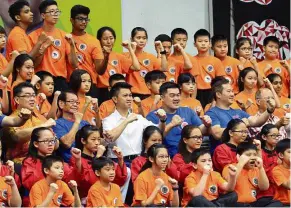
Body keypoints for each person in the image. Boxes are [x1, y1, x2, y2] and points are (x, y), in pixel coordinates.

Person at [205, 78, 276, 153]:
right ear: (218, 94)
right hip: (223, 155)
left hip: (241, 153)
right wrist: (241, 124)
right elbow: (217, 133)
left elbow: (257, 121)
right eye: (229, 91)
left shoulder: (238, 111)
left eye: (232, 91)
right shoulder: (212, 113)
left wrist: (269, 110)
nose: (232, 94)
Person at [102, 82, 166, 165]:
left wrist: (162, 120)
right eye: (125, 96)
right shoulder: (108, 120)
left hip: (139, 160)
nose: (129, 98)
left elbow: (158, 130)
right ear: (115, 99)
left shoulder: (138, 117)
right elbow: (110, 139)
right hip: (117, 161)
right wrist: (127, 121)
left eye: (130, 95)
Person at [146, 82, 212, 157]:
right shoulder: (153, 116)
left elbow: (200, 130)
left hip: (189, 154)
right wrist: (171, 125)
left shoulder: (188, 111)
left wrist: (207, 125)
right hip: (167, 155)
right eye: (172, 96)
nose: (176, 98)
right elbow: (155, 141)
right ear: (162, 97)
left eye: (178, 95)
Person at [21, 127, 81, 206]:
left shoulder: (57, 162)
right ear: (36, 144)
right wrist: (47, 163)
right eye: (46, 141)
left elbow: (71, 178)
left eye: (52, 140)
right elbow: (30, 184)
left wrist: (77, 160)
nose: (50, 144)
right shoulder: (29, 162)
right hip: (35, 201)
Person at [28, 0, 78, 91]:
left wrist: (72, 45)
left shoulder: (64, 35)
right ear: (43, 15)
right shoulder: (33, 36)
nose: (55, 14)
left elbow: (74, 64)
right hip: (41, 79)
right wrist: (44, 46)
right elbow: (33, 64)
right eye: (51, 12)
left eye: (57, 11)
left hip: (60, 80)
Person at [73, 125, 129, 204]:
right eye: (93, 139)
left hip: (108, 197)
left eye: (99, 139)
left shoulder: (102, 157)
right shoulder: (77, 158)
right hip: (87, 199)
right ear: (83, 141)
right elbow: (89, 182)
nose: (97, 143)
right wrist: (98, 156)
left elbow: (120, 180)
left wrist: (120, 159)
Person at [2, 82, 55, 164]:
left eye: (33, 95)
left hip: (43, 161)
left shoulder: (38, 118)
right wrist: (43, 126)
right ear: (17, 100)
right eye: (27, 96)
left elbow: (56, 144)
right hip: (20, 163)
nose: (32, 99)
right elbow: (17, 137)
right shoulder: (10, 120)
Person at [223, 142, 280, 207]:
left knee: (276, 203)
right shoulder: (230, 167)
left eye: (255, 155)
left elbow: (264, 187)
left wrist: (261, 168)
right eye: (248, 155)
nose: (253, 157)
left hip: (252, 204)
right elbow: (229, 184)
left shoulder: (256, 169)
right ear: (238, 156)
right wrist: (241, 163)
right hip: (236, 204)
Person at [96, 26, 140, 104]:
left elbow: (136, 67)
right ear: (99, 40)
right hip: (102, 91)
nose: (109, 42)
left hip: (117, 91)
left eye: (111, 38)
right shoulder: (95, 55)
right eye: (105, 39)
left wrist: (130, 49)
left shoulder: (118, 56)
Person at [69, 5, 104, 98]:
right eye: (80, 19)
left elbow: (99, 69)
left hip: (90, 85)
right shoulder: (65, 38)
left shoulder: (94, 41)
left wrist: (107, 56)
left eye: (86, 19)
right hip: (70, 84)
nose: (84, 22)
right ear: (71, 20)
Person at [52, 90, 90, 163]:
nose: (75, 105)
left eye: (77, 102)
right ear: (61, 104)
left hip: (88, 162)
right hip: (69, 164)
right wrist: (77, 122)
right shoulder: (57, 123)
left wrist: (106, 140)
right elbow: (67, 143)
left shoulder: (85, 123)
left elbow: (94, 142)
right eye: (72, 102)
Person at [193, 29, 226, 108]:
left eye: (206, 41)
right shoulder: (191, 60)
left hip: (211, 92)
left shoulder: (216, 61)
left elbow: (220, 81)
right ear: (195, 44)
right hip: (196, 92)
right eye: (200, 41)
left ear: (210, 44)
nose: (203, 44)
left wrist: (215, 98)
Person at [256, 124, 282, 204]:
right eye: (273, 135)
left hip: (281, 191)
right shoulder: (259, 153)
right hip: (265, 194)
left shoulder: (281, 153)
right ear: (264, 137)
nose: (277, 138)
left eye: (278, 135)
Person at [272, 139, 290, 206]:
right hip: (283, 204)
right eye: (289, 152)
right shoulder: (277, 170)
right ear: (281, 155)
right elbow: (289, 186)